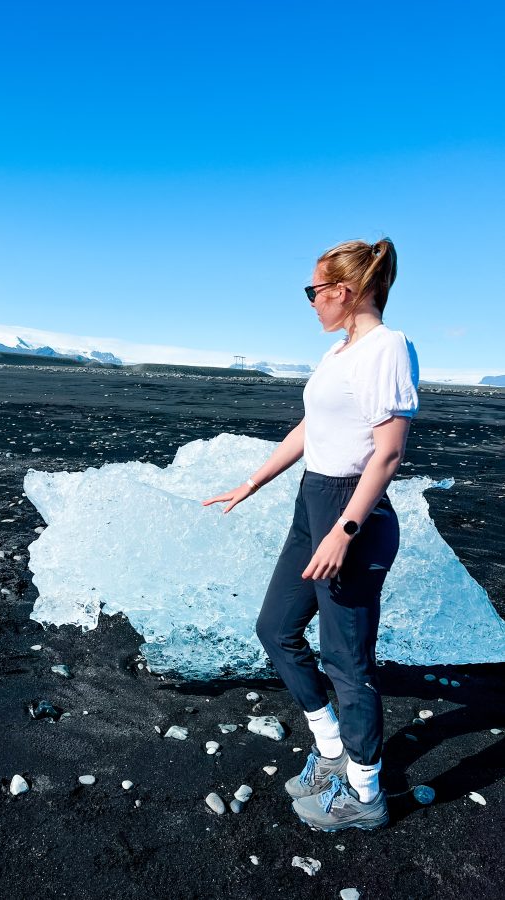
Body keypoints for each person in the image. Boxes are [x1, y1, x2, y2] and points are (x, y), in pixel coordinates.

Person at [202, 237, 420, 832]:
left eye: (315, 290)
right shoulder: (340, 354)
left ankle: (366, 791)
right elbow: (312, 427)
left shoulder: (387, 349)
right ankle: (331, 751)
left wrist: (344, 531)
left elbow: (389, 453)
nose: (312, 302)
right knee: (275, 628)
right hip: (313, 503)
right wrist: (253, 482)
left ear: (345, 293)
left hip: (353, 512)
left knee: (348, 662)